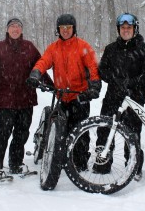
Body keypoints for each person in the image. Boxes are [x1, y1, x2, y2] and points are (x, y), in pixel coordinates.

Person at [26, 13, 101, 172]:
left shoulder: (83, 46)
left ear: (74, 29)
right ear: (58, 30)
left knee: (80, 132)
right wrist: (35, 73)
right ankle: (59, 160)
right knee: (61, 130)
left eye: (68, 27)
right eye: (62, 28)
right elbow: (44, 61)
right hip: (61, 96)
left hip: (79, 96)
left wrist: (94, 86)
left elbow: (93, 68)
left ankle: (79, 163)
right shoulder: (53, 48)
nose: (65, 31)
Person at [0, 18, 53, 177]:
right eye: (12, 26)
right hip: (5, 100)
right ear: (7, 30)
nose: (15, 29)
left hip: (26, 100)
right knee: (2, 134)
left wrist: (51, 86)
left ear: (21, 30)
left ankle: (15, 163)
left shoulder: (29, 47)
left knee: (21, 134)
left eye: (18, 26)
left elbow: (39, 68)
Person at [94, 13, 145, 180]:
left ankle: (134, 165)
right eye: (123, 28)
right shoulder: (111, 48)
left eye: (129, 28)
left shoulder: (144, 49)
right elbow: (102, 70)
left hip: (134, 97)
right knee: (105, 129)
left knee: (133, 132)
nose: (126, 30)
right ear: (118, 29)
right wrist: (114, 79)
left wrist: (132, 82)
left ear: (135, 29)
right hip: (113, 96)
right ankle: (102, 163)